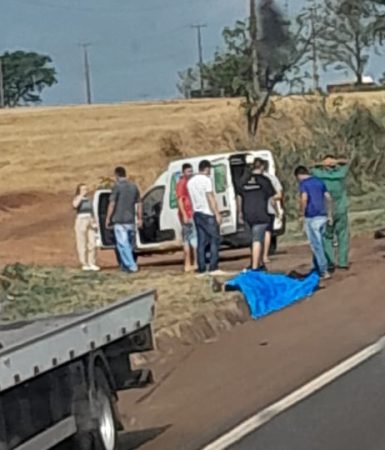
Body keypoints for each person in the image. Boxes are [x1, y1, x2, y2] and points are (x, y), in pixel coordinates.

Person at [239, 158, 278, 270]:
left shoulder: (244, 181)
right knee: (257, 239)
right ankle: (255, 266)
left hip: (248, 213)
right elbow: (271, 198)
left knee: (253, 239)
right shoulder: (265, 180)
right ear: (262, 167)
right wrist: (277, 211)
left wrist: (240, 213)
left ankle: (258, 262)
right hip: (261, 213)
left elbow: (239, 197)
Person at [294, 165, 333, 280]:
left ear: (299, 175)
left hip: (311, 216)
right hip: (322, 215)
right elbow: (328, 197)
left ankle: (323, 270)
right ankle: (318, 266)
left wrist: (301, 213)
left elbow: (304, 199)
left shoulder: (304, 184)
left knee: (316, 245)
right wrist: (329, 214)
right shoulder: (320, 182)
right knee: (320, 242)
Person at [312, 156, 349, 271]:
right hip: (341, 208)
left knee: (327, 236)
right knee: (343, 235)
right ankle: (343, 262)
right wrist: (336, 161)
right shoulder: (341, 174)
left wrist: (322, 163)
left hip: (326, 209)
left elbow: (311, 167)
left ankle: (330, 261)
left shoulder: (319, 175)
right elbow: (346, 163)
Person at [188, 160, 223, 276]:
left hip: (197, 213)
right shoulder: (206, 180)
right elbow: (210, 197)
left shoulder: (191, 182)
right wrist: (217, 213)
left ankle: (201, 267)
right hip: (207, 213)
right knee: (215, 238)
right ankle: (213, 266)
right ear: (207, 169)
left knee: (201, 242)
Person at [105, 166, 142, 273]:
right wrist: (140, 218)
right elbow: (139, 203)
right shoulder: (134, 187)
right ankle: (125, 265)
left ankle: (131, 266)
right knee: (129, 245)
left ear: (116, 175)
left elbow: (112, 203)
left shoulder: (117, 187)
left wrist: (108, 218)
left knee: (122, 244)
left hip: (119, 220)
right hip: (131, 220)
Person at [72, 184, 100, 271]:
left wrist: (94, 221)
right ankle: (84, 263)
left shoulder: (89, 199)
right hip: (81, 220)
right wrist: (80, 196)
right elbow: (75, 205)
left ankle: (92, 262)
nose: (85, 191)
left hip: (90, 221)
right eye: (83, 189)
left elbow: (92, 211)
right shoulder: (78, 198)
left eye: (86, 189)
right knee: (82, 242)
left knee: (92, 242)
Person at [176, 163, 198, 273]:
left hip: (193, 213)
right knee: (188, 240)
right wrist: (184, 214)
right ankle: (187, 264)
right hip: (187, 214)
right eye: (188, 171)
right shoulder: (182, 183)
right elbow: (180, 200)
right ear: (184, 172)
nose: (190, 173)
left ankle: (195, 263)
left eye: (191, 171)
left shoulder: (191, 182)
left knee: (194, 240)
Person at [262, 159, 284, 264]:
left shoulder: (249, 179)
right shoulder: (271, 178)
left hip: (252, 209)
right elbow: (278, 195)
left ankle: (257, 255)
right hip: (268, 209)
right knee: (267, 232)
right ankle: (265, 256)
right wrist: (277, 211)